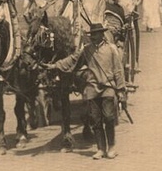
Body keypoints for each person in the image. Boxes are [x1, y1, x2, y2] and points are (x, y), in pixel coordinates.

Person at [46, 23, 127, 160]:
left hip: (108, 86)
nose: (94, 37)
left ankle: (111, 147)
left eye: (96, 35)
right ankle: (101, 149)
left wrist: (120, 90)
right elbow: (72, 60)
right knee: (95, 119)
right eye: (92, 35)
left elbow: (118, 70)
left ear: (102, 35)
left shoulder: (111, 49)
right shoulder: (86, 50)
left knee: (108, 117)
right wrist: (55, 65)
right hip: (92, 88)